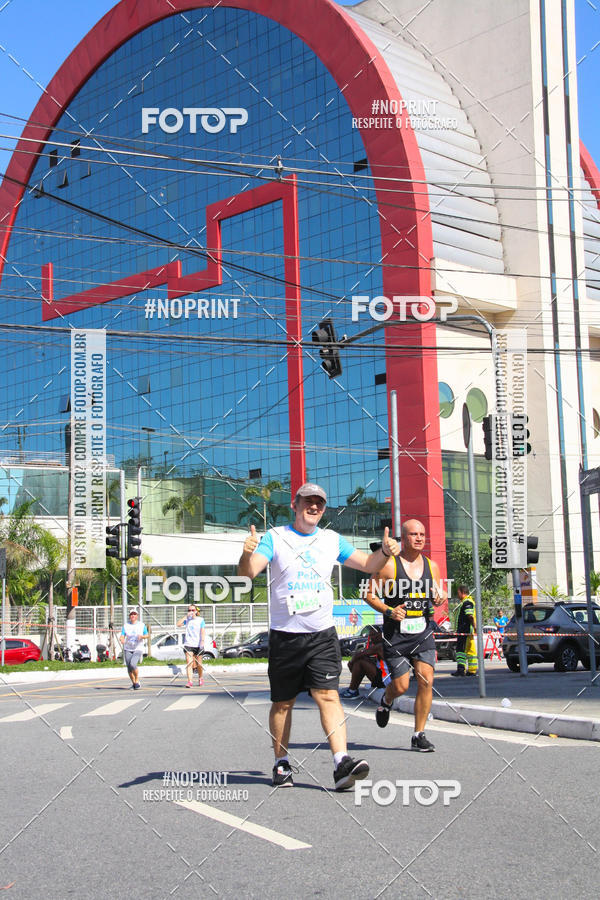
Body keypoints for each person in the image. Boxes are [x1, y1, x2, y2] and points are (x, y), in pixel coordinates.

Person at [238, 482, 400, 790]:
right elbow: (248, 573)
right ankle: (281, 763)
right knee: (283, 703)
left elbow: (368, 565)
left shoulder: (331, 539)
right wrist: (246, 554)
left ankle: (342, 763)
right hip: (286, 636)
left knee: (328, 695)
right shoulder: (275, 537)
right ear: (295, 505)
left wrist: (385, 551)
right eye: (308, 502)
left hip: (322, 635)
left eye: (320, 503)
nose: (314, 507)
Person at [364, 519, 446, 751]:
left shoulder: (432, 567)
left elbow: (439, 594)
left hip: (422, 631)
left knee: (426, 679)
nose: (419, 538)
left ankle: (418, 735)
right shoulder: (389, 565)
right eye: (413, 534)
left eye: (422, 534)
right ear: (404, 537)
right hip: (396, 635)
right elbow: (368, 595)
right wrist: (390, 610)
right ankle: (386, 701)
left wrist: (440, 597)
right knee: (400, 686)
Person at [340, 627, 389, 699]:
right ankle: (353, 689)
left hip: (385, 681)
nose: (371, 638)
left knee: (360, 661)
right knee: (364, 660)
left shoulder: (380, 646)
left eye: (373, 635)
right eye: (370, 635)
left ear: (380, 635)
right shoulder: (385, 644)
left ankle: (352, 691)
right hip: (387, 678)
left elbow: (359, 655)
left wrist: (350, 663)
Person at [177, 604, 206, 687]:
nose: (191, 612)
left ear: (196, 611)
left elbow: (202, 631)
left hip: (198, 644)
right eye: (189, 610)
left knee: (199, 664)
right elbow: (178, 624)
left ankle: (200, 678)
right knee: (189, 663)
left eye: (193, 610)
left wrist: (202, 642)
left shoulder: (200, 620)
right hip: (188, 644)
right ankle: (190, 681)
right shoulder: (187, 620)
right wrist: (185, 617)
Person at [452, 586, 477, 677]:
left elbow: (470, 616)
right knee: (470, 651)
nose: (457, 595)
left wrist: (475, 627)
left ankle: (461, 670)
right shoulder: (467, 601)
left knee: (461, 650)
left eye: (458, 592)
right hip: (467, 631)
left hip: (465, 631)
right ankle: (471, 670)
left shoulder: (467, 602)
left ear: (462, 592)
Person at [120, 608, 148, 689]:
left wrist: (142, 636)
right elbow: (122, 635)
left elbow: (147, 635)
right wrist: (121, 639)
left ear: (137, 616)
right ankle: (134, 683)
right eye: (131, 614)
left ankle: (137, 679)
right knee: (129, 667)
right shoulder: (126, 625)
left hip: (138, 648)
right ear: (129, 616)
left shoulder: (141, 625)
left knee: (133, 664)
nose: (133, 616)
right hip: (128, 648)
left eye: (134, 614)